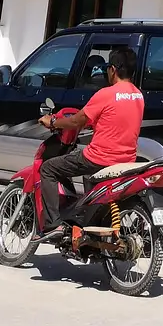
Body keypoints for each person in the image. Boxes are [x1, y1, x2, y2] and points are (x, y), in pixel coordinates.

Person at [38, 45, 144, 238]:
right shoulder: (138, 95)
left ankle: (52, 225)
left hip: (98, 159)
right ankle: (87, 221)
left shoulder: (106, 94)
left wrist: (52, 121)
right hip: (126, 160)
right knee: (88, 177)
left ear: (113, 69)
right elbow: (116, 119)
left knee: (48, 169)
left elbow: (75, 120)